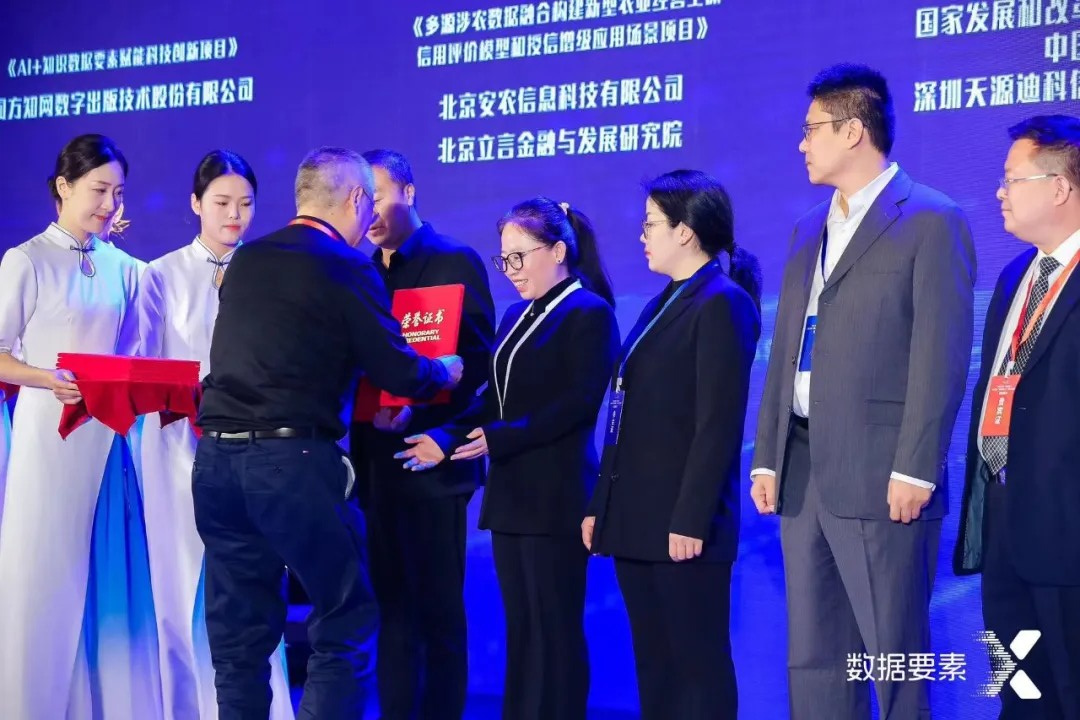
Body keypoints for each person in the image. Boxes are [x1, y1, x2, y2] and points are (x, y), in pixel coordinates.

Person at [192, 146, 463, 720]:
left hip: (215, 464)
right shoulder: (346, 265)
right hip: (290, 463)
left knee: (239, 636)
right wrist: (444, 371)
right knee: (345, 618)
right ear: (357, 199)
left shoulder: (248, 258)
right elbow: (397, 369)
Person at [749, 63, 976, 719]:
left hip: (883, 475)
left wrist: (917, 465)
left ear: (853, 131)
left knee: (892, 657)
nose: (801, 144)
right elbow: (787, 350)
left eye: (811, 129)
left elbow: (940, 355)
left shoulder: (931, 219)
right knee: (814, 656)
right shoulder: (806, 229)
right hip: (803, 472)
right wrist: (767, 455)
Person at [584, 170, 762, 720]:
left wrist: (690, 518)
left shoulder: (722, 302)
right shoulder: (662, 301)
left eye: (650, 225)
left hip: (683, 526)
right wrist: (600, 506)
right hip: (637, 518)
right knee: (655, 666)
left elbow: (718, 424)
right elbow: (624, 412)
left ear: (685, 231)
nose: (642, 236)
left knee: (697, 668)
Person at [0, 134, 162, 719]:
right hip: (49, 436)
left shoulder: (124, 267)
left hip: (108, 438)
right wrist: (45, 378)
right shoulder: (26, 260)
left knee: (108, 577)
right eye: (99, 190)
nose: (110, 204)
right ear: (64, 187)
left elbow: (133, 353)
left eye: (118, 193)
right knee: (47, 571)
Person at [440, 197, 619, 720]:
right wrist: (446, 434)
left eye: (520, 256)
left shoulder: (589, 312)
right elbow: (494, 399)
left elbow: (575, 405)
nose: (510, 269)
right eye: (504, 259)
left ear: (558, 251)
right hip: (512, 494)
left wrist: (498, 437)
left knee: (554, 629)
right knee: (522, 631)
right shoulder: (517, 313)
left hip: (556, 496)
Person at [135, 150, 293, 720]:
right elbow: (142, 366)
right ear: (195, 204)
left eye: (245, 203)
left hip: (253, 448)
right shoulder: (160, 274)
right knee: (180, 583)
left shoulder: (271, 271)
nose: (234, 215)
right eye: (222, 202)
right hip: (175, 444)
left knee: (253, 584)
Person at [348, 149, 494, 720]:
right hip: (374, 464)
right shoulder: (359, 270)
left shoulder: (452, 260)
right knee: (391, 615)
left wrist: (424, 413)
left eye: (379, 196)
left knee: (437, 616)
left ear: (408, 192)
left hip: (433, 463)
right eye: (362, 200)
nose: (370, 212)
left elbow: (479, 366)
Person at [955, 115, 1080, 720]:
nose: (999, 191)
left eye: (1012, 178)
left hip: (1067, 527)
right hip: (1006, 519)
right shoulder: (1014, 276)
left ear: (1060, 187)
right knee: (1021, 695)